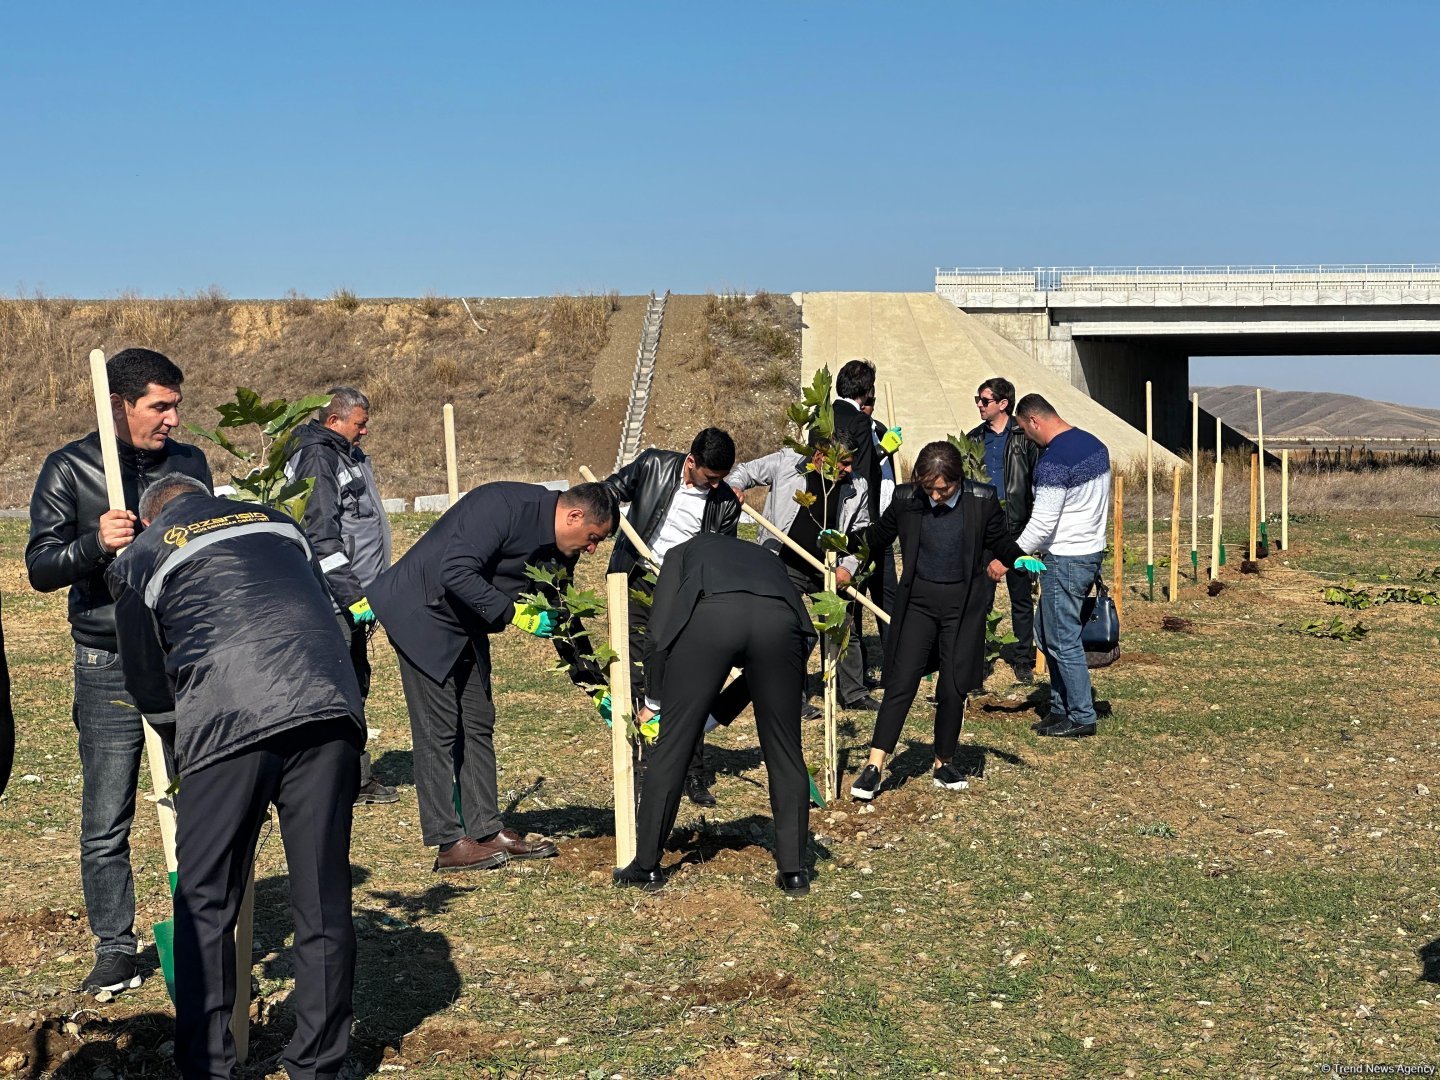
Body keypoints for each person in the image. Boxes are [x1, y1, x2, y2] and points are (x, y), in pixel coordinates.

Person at [107, 475, 363, 1080]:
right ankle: (319, 1064)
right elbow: (337, 615)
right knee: (323, 895)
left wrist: (181, 741)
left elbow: (146, 680)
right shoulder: (276, 522)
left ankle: (208, 1066)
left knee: (205, 900)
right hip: (327, 710)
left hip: (229, 720)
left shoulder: (141, 556)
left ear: (149, 519)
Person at [25, 347, 212, 998]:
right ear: (118, 406)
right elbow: (41, 568)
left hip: (179, 655)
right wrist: (93, 544)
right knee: (107, 816)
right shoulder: (70, 468)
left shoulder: (189, 464)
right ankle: (114, 948)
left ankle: (203, 929)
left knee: (198, 802)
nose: (173, 418)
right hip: (107, 661)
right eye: (160, 405)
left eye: (176, 404)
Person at [368, 482, 618, 870]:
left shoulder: (560, 550)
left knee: (478, 720)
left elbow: (562, 616)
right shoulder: (502, 506)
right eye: (593, 538)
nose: (592, 549)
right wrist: (513, 613)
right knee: (438, 729)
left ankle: (485, 829)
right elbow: (455, 570)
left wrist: (598, 689)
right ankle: (449, 843)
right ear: (574, 516)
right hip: (420, 609)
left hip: (466, 620)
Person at [613, 534, 816, 896]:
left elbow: (659, 632)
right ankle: (794, 871)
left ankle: (646, 866)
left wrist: (656, 701)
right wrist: (720, 712)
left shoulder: (678, 554)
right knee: (786, 751)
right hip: (782, 626)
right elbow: (804, 638)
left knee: (674, 745)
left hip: (711, 620)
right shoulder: (764, 557)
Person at [847, 441, 1043, 802]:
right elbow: (876, 537)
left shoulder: (981, 501)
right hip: (918, 604)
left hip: (962, 607)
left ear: (959, 481)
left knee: (953, 686)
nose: (935, 495)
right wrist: (844, 544)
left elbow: (1000, 541)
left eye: (944, 489)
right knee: (901, 683)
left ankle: (943, 762)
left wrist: (1019, 558)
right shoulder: (908, 499)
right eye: (929, 488)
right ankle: (875, 765)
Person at [602, 427, 740, 806]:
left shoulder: (726, 503)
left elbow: (717, 557)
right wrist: (606, 508)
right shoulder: (653, 466)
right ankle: (644, 765)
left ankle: (691, 773)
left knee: (688, 679)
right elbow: (610, 492)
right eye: (710, 478)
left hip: (682, 592)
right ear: (691, 462)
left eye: (721, 480)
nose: (715, 486)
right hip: (634, 581)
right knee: (634, 674)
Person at [284, 386, 398, 804]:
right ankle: (346, 781)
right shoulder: (319, 457)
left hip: (354, 598)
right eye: (359, 424)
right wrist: (353, 598)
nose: (365, 431)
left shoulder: (346, 453)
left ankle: (352, 775)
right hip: (334, 601)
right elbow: (322, 537)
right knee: (341, 690)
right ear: (334, 421)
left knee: (355, 685)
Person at [725, 434, 873, 714]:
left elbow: (861, 533)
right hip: (783, 563)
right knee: (794, 631)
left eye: (852, 463)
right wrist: (734, 486)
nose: (850, 470)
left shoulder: (857, 487)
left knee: (843, 627)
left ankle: (854, 694)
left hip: (828, 567)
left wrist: (847, 567)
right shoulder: (787, 464)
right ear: (819, 457)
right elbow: (744, 471)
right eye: (844, 463)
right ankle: (794, 697)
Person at [1012, 394, 1112, 738]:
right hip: (1089, 551)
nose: (1028, 438)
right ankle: (1060, 708)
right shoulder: (1094, 445)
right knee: (1046, 631)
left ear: (1034, 421)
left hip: (1067, 557)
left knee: (1062, 639)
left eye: (1025, 430)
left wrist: (1007, 555)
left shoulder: (1054, 462)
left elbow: (1041, 524)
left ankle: (1082, 715)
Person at [966, 377, 1042, 684]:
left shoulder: (1024, 437)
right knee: (981, 596)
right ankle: (981, 656)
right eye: (978, 400)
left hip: (1017, 528)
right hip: (983, 528)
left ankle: (1024, 657)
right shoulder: (972, 439)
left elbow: (1037, 482)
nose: (979, 406)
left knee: (1021, 596)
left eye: (984, 401)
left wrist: (1036, 529)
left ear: (1003, 404)